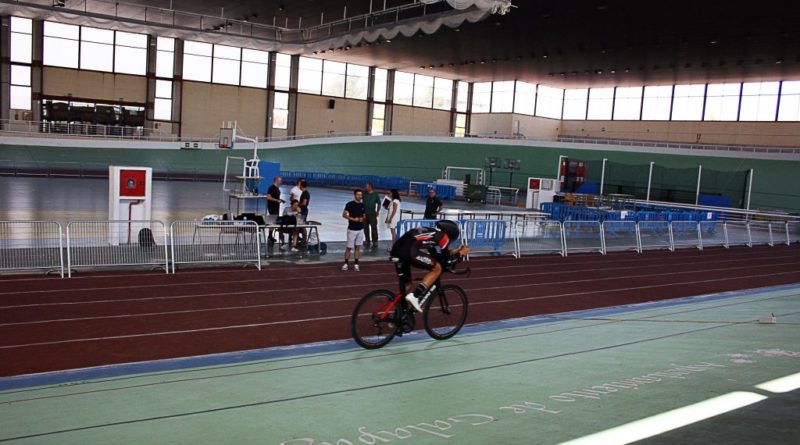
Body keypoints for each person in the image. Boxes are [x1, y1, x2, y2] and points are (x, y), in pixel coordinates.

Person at [390, 220, 469, 312]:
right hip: (409, 251)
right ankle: (415, 296)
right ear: (451, 234)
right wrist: (460, 254)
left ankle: (399, 314)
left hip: (397, 249)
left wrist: (454, 252)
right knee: (437, 268)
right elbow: (445, 262)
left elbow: (439, 256)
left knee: (407, 283)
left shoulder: (433, 233)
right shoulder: (444, 237)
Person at [342, 189, 365, 271]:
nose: (360, 196)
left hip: (360, 229)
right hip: (352, 229)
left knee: (357, 247)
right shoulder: (349, 204)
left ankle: (356, 264)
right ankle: (345, 263)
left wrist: (362, 219)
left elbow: (364, 216)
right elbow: (344, 215)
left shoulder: (363, 205)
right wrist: (352, 219)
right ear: (355, 195)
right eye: (358, 195)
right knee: (349, 247)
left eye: (361, 195)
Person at [266, 176, 285, 245]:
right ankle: (269, 237)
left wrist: (280, 200)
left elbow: (276, 197)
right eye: (280, 180)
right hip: (272, 207)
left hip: (276, 207)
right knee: (272, 221)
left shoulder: (277, 188)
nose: (281, 181)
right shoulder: (271, 188)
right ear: (276, 180)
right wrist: (277, 200)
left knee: (274, 221)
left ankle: (270, 236)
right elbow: (268, 197)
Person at [362, 182, 381, 248]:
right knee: (365, 228)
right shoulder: (364, 193)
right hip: (364, 214)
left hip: (372, 213)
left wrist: (378, 211)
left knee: (374, 227)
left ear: (370, 187)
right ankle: (367, 240)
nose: (365, 187)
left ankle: (375, 241)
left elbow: (379, 203)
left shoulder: (375, 194)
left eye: (366, 186)